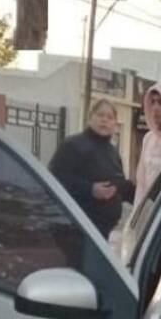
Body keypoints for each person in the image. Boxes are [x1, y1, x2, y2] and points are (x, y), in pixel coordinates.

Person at [48, 98, 134, 239]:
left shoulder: (113, 152)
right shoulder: (72, 145)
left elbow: (120, 185)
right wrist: (90, 189)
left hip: (105, 231)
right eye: (100, 115)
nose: (104, 120)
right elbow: (56, 178)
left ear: (115, 124)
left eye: (109, 117)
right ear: (90, 118)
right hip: (77, 229)